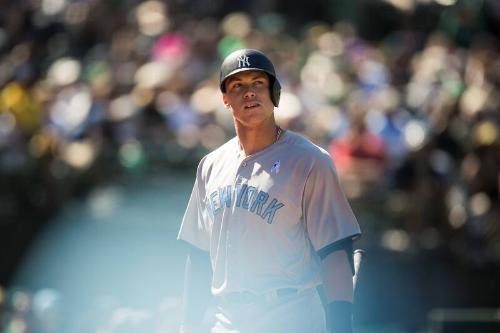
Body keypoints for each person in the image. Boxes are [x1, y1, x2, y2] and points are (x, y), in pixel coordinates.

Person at [177, 48, 361, 333]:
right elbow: (198, 253)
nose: (249, 92)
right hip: (226, 319)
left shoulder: (310, 160)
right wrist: (187, 325)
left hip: (290, 313)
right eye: (238, 85)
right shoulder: (210, 166)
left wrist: (341, 325)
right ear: (225, 99)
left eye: (258, 83)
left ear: (274, 93)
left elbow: (335, 250)